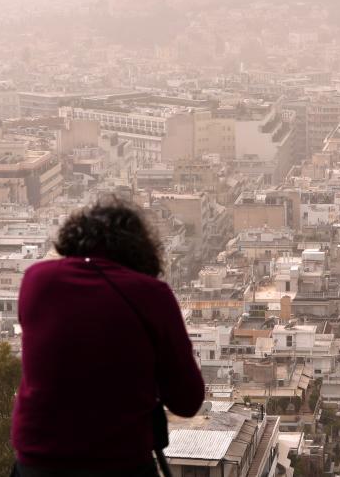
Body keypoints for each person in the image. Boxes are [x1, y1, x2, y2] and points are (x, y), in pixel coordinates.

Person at [12, 198, 205, 476]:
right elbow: (187, 401)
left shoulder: (37, 280)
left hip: (39, 461)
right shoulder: (152, 295)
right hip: (120, 461)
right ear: (140, 250)